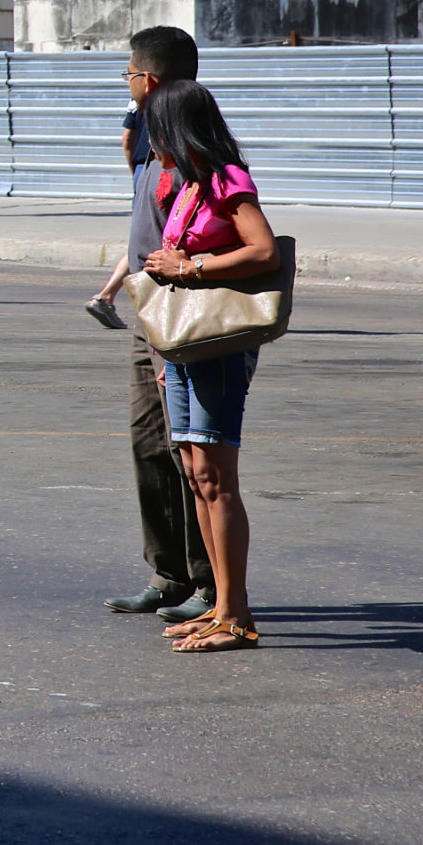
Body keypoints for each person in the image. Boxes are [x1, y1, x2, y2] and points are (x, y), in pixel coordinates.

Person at [139, 77, 278, 653]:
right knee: (196, 474)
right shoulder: (191, 185)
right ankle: (220, 607)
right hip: (183, 345)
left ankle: (237, 617)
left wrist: (189, 268)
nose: (151, 145)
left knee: (217, 480)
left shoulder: (227, 180)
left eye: (156, 132)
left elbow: (263, 250)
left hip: (218, 345)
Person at [102, 25, 216, 625]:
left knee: (189, 451)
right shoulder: (150, 134)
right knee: (149, 442)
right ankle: (168, 574)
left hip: (183, 314)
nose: (126, 82)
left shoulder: (194, 143)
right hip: (148, 310)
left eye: (128, 74)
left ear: (146, 79)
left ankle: (209, 582)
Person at [84, 87, 157, 329]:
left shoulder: (138, 98)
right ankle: (109, 297)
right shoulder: (175, 96)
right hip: (163, 170)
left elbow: (127, 140)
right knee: (155, 239)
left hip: (142, 169)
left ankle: (107, 297)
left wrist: (137, 172)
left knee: (144, 238)